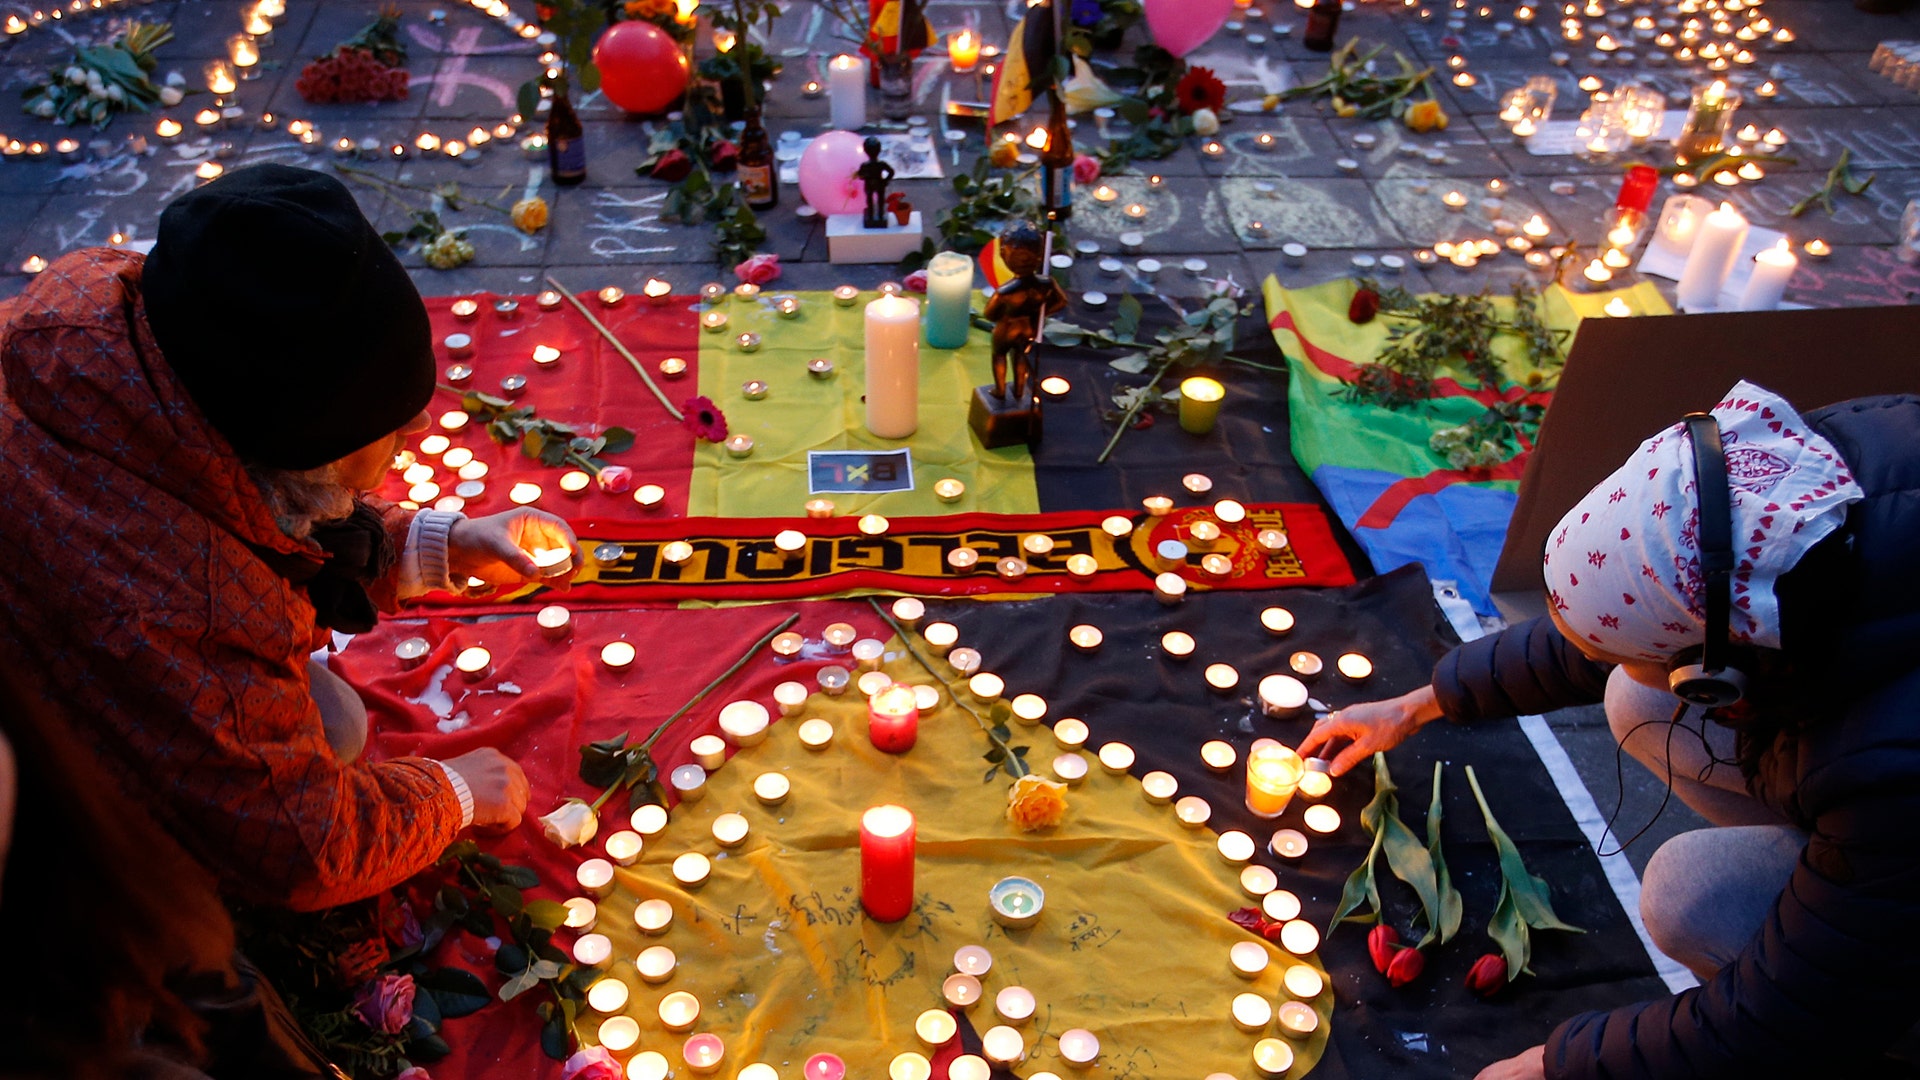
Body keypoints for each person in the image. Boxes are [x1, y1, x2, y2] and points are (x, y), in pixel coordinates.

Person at [1299, 380, 1920, 1079]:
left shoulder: (1892, 768)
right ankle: (1833, 872)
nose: (1593, 660)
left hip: (1889, 828)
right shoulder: (1772, 521)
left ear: (1716, 672)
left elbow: (1785, 1013)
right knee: (1636, 694)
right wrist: (1417, 704)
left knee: (1692, 896)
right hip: (1859, 772)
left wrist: (1548, 1065)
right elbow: (1624, 619)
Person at [0, 164, 558, 912]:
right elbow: (302, 850)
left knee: (330, 716)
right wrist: (453, 793)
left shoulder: (100, 310)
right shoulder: (186, 599)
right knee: (336, 730)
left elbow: (242, 498)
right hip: (30, 759)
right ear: (305, 447)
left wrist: (433, 543)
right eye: (387, 420)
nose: (421, 426)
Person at [982, 221, 1068, 402]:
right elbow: (1062, 301)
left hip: (1006, 330)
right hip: (1029, 328)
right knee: (1020, 356)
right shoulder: (1046, 284)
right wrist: (1041, 314)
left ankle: (1000, 390)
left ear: (1005, 256)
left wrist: (1005, 314)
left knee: (999, 355)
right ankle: (1019, 390)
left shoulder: (1005, 292)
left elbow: (989, 314)